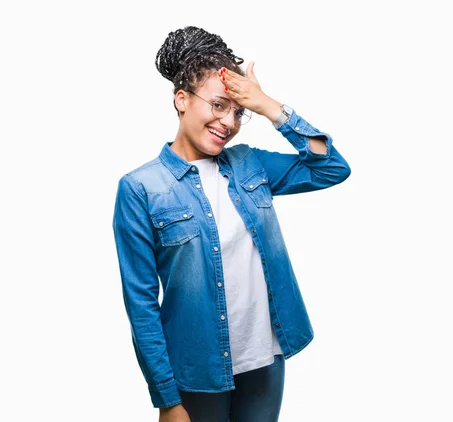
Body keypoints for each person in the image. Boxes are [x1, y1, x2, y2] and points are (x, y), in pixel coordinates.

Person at [112, 26, 351, 422]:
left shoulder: (249, 163)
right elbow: (140, 305)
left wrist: (268, 105)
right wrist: (167, 399)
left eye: (239, 111)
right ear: (182, 99)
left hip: (266, 359)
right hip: (197, 371)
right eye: (219, 105)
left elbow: (332, 168)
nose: (230, 121)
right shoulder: (141, 188)